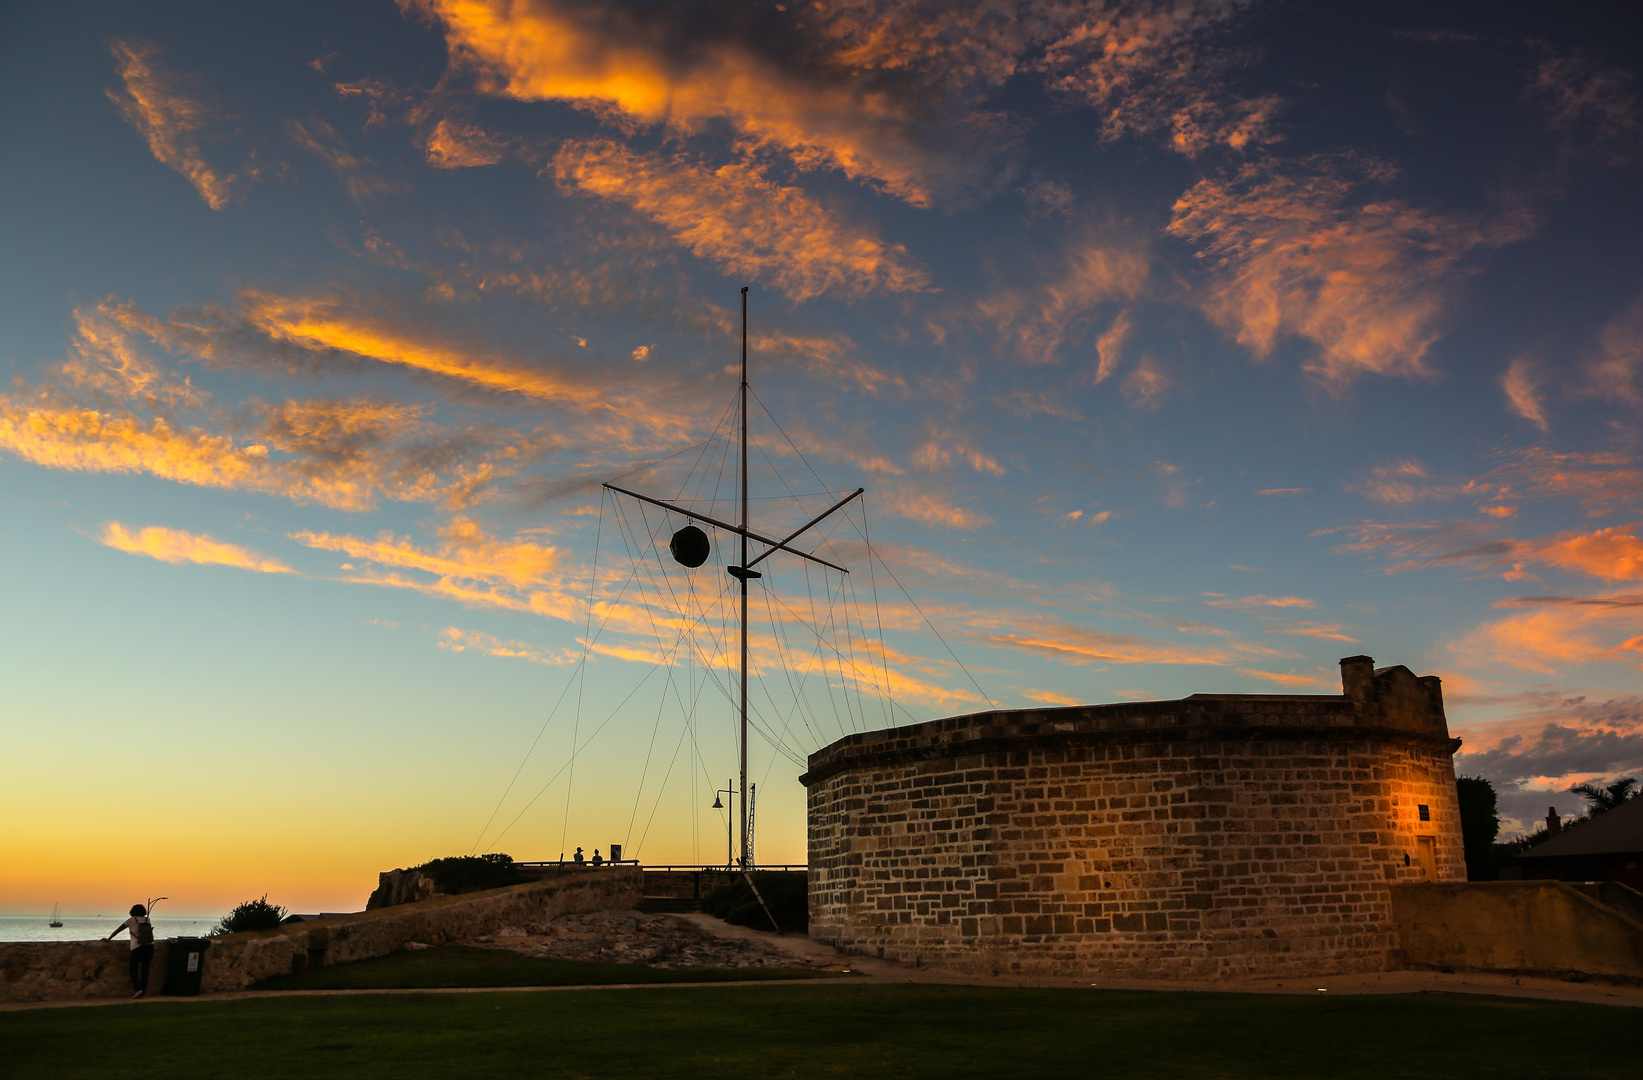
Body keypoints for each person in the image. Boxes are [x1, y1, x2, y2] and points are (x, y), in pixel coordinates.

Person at [107, 904, 154, 998]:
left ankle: (138, 990)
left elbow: (118, 930)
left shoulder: (131, 920)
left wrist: (109, 939)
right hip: (150, 946)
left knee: (133, 969)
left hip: (137, 947)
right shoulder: (147, 920)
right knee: (145, 970)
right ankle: (142, 991)